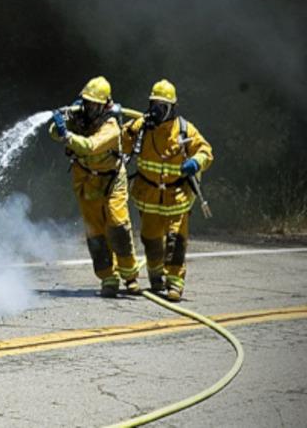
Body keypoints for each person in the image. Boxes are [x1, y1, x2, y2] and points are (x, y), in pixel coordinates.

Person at [121, 79, 213, 302]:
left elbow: (206, 150)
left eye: (161, 106)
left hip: (176, 197)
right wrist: (130, 130)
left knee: (176, 240)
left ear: (171, 108)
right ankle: (156, 278)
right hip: (149, 196)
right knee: (151, 239)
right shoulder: (142, 127)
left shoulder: (183, 129)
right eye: (153, 105)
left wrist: (196, 162)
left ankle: (175, 283)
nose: (156, 110)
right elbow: (121, 146)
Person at [50, 76, 141, 297]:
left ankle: (129, 275)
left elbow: (90, 147)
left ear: (105, 104)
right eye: (87, 102)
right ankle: (108, 278)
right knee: (95, 232)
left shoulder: (111, 127)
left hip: (112, 180)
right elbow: (54, 132)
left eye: (93, 103)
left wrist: (67, 135)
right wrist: (62, 122)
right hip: (86, 180)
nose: (89, 107)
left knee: (118, 224)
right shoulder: (81, 118)